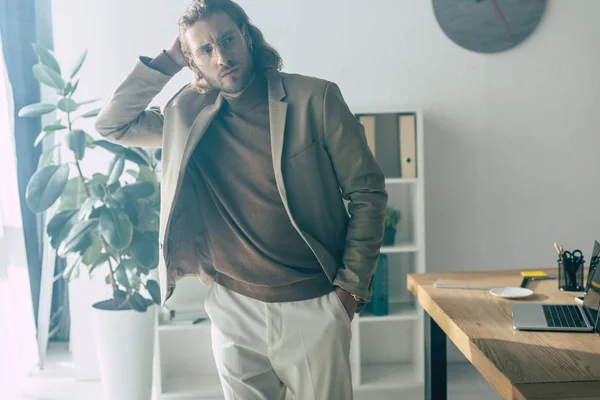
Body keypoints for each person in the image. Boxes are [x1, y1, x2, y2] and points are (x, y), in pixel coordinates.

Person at [95, 0, 387, 398]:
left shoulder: (315, 99)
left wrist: (349, 292)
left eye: (228, 39)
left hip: (313, 304)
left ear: (246, 36)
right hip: (232, 307)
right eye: (205, 50)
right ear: (193, 60)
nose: (222, 56)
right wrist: (168, 60)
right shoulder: (186, 113)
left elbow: (367, 193)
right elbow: (113, 125)